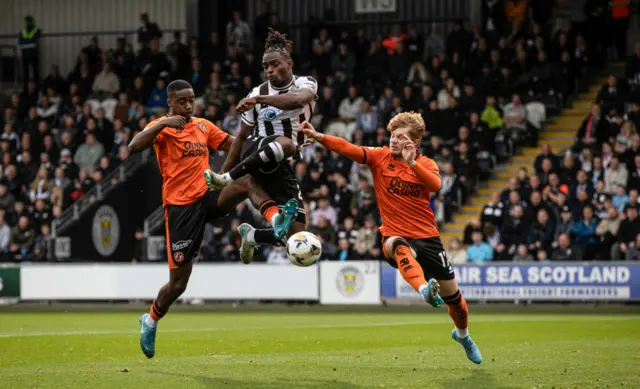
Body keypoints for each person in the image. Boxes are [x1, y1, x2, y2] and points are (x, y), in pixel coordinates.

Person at [127, 80, 296, 359]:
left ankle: (275, 218)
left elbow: (234, 145)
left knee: (245, 181)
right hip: (180, 208)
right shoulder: (161, 127)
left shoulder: (203, 126)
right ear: (171, 102)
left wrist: (269, 150)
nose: (189, 106)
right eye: (182, 101)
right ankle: (151, 319)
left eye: (192, 100)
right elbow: (134, 146)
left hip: (207, 195)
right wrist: (162, 124)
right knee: (179, 284)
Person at [299, 114, 482, 364]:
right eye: (393, 136)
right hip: (393, 232)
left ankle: (463, 336)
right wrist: (319, 136)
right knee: (397, 245)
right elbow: (348, 148)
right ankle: (423, 289)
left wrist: (412, 164)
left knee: (457, 303)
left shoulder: (426, 163)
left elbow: (436, 185)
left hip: (428, 238)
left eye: (401, 137)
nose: (394, 141)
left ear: (415, 142)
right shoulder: (380, 156)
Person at [204, 28, 318, 263]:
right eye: (266, 67)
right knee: (287, 144)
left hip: (281, 163)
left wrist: (259, 100)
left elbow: (297, 101)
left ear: (289, 63)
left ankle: (253, 235)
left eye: (275, 65)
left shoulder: (304, 83)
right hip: (257, 148)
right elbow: (241, 137)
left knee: (297, 235)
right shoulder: (257, 92)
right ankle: (229, 180)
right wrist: (224, 173)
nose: (269, 71)